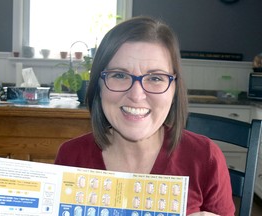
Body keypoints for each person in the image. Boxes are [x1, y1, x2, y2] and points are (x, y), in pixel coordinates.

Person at [55, 16, 235, 215]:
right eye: (119, 75)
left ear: (174, 89)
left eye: (156, 78)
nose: (136, 95)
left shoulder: (205, 158)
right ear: (98, 85)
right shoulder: (71, 156)